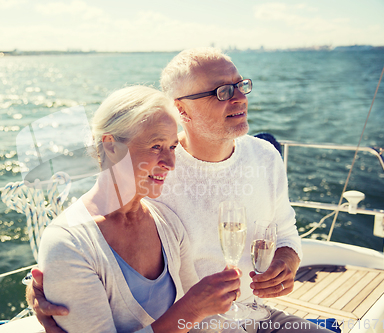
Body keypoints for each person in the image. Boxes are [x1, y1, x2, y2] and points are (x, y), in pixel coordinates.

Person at [28, 48, 333, 333]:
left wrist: (288, 261)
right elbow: (86, 230)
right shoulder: (148, 186)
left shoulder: (265, 158)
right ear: (181, 110)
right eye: (222, 91)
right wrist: (50, 279)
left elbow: (285, 232)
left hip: (256, 314)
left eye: (241, 86)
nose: (240, 98)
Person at [36, 85, 244, 332]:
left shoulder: (166, 222)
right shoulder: (68, 244)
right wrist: (191, 310)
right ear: (111, 147)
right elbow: (191, 313)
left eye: (173, 147)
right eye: (156, 146)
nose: (170, 163)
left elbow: (201, 326)